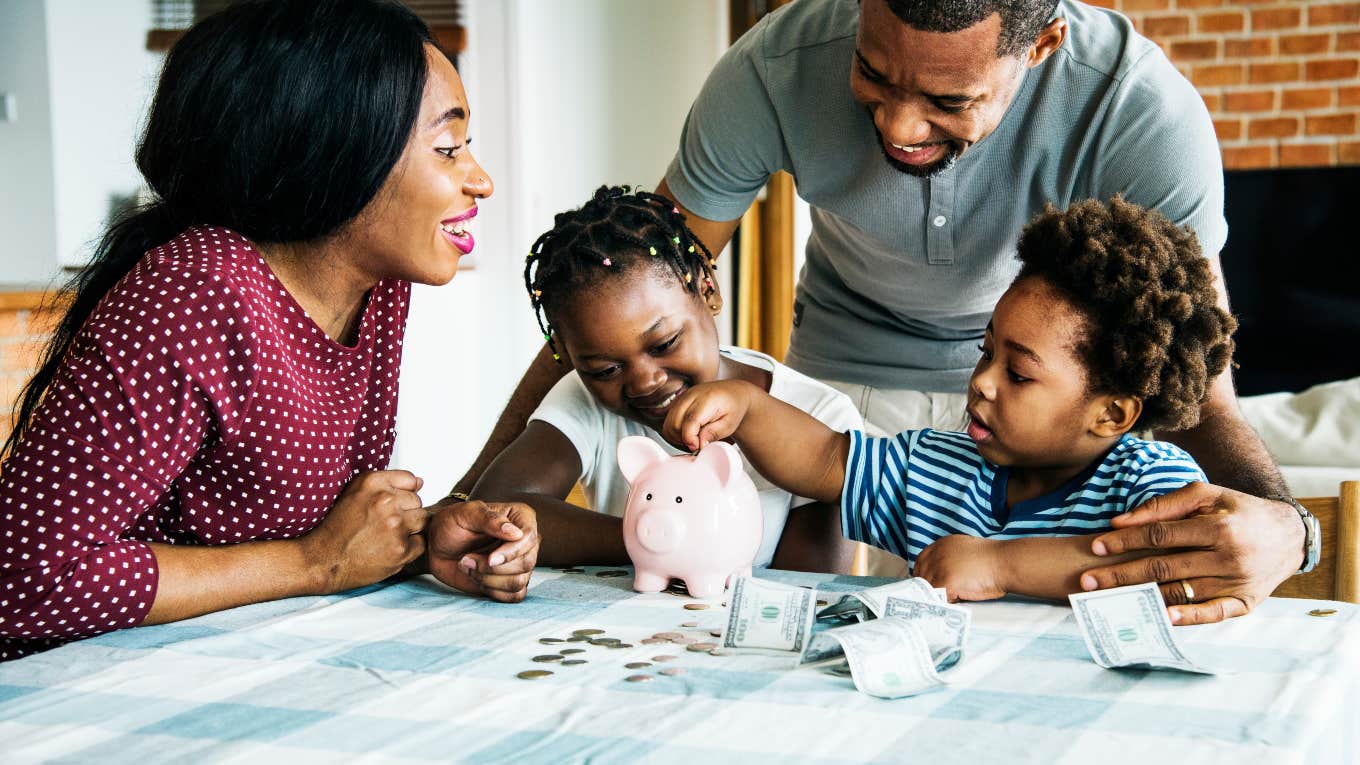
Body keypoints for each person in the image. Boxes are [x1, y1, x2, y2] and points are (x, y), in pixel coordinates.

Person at [451, 0, 1313, 624]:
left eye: (949, 100)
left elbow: (1203, 395)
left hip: (1053, 394)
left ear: (1043, 43)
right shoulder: (772, 68)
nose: (900, 125)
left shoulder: (1142, 115)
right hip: (846, 379)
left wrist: (1290, 527)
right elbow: (626, 283)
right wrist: (460, 504)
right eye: (873, 72)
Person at [0, 0, 538, 662]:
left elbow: (325, 532)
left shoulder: (377, 287)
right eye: (447, 148)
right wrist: (313, 563)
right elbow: (21, 579)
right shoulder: (194, 294)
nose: (479, 180)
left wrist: (423, 540)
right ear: (335, 151)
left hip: (226, 665)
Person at [663, 197, 1236, 608]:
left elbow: (1148, 569)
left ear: (1111, 414)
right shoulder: (937, 468)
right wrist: (748, 408)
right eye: (987, 354)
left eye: (1019, 374)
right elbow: (826, 461)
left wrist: (997, 565)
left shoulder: (1151, 484)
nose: (983, 382)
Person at [455, 186, 859, 574]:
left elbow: (808, 585)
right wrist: (648, 539)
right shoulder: (586, 398)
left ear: (708, 289)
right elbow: (494, 509)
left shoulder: (820, 415)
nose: (645, 382)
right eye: (606, 370)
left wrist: (667, 540)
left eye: (664, 343)